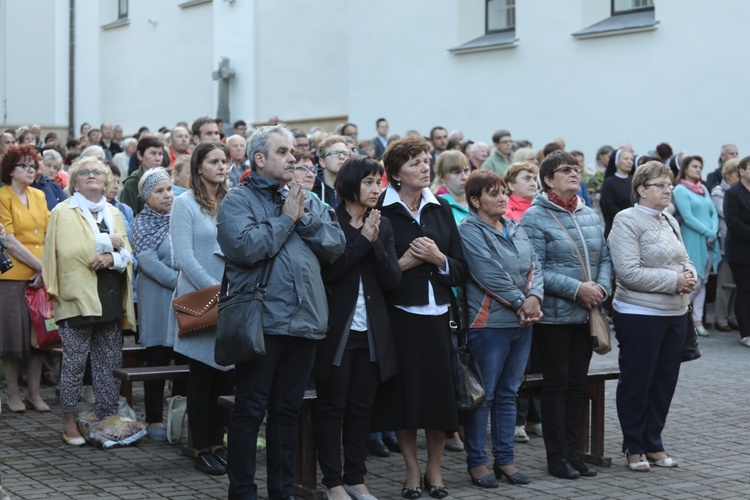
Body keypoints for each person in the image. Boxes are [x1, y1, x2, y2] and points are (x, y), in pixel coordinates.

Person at [216, 125, 345, 498]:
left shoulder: (303, 197)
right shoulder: (237, 201)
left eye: (294, 152)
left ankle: (282, 490)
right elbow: (245, 248)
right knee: (250, 410)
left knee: (288, 411)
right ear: (260, 159)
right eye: (284, 152)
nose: (294, 158)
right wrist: (286, 219)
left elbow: (336, 245)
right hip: (263, 323)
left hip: (305, 321)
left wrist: (301, 215)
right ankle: (242, 491)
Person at [372, 135, 468, 499]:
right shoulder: (381, 210)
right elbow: (375, 272)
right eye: (414, 162)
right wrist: (404, 264)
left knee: (439, 399)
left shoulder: (440, 208)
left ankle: (435, 470)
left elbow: (460, 268)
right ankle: (412, 471)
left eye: (426, 160)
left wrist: (438, 259)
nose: (425, 167)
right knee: (406, 398)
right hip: (401, 316)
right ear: (395, 173)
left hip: (440, 315)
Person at [520, 151, 612, 480]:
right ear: (548, 180)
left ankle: (574, 453)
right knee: (556, 387)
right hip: (555, 318)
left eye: (575, 168)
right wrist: (577, 289)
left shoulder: (589, 213)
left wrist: (600, 288)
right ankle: (557, 457)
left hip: (586, 313)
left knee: (577, 386)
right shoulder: (535, 217)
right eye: (564, 170)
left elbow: (604, 257)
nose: (573, 174)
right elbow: (536, 268)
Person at [314, 156, 401, 500]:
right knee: (332, 407)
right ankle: (333, 482)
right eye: (368, 182)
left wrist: (375, 241)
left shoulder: (384, 224)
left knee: (362, 408)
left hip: (373, 334)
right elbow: (329, 273)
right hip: (337, 332)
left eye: (378, 182)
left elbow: (393, 280)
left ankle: (356, 477)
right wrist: (362, 240)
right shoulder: (331, 220)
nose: (376, 189)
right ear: (351, 184)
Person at [607, 161, 696, 471]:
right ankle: (634, 445)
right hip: (639, 313)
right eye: (660, 185)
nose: (668, 190)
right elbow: (628, 273)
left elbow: (684, 258)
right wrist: (675, 281)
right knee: (638, 381)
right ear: (641, 189)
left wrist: (690, 274)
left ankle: (653, 442)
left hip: (675, 312)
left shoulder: (670, 220)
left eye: (669, 184)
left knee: (664, 381)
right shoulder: (626, 220)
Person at [42, 156, 135, 445]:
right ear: (75, 180)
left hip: (109, 296)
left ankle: (106, 420)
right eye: (84, 172)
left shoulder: (113, 213)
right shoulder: (63, 211)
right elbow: (70, 252)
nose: (92, 175)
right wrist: (109, 244)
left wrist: (112, 256)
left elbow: (128, 254)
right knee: (74, 364)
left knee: (109, 363)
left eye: (97, 172)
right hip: (76, 297)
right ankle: (69, 421)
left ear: (106, 181)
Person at [459, 170, 543, 489]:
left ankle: (505, 460)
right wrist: (524, 302)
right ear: (475, 200)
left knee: (509, 393)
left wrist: (534, 297)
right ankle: (477, 462)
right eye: (493, 194)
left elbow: (536, 266)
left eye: (503, 193)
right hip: (490, 324)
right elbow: (487, 275)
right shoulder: (469, 231)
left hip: (522, 321)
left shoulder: (514, 226)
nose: (502, 199)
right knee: (485, 395)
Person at [168, 142, 234, 475]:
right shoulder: (185, 203)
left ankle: (219, 443)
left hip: (233, 297)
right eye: (214, 161)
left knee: (227, 374)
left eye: (225, 161)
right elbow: (184, 256)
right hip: (202, 300)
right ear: (198, 167)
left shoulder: (232, 200)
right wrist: (214, 289)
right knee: (202, 376)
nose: (222, 167)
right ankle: (201, 446)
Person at [130, 167, 187, 441]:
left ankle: (181, 417)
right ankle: (153, 419)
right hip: (157, 298)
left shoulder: (181, 217)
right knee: (157, 358)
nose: (167, 195)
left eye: (169, 189)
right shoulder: (141, 223)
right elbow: (149, 263)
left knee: (185, 356)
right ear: (146, 196)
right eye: (159, 191)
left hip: (186, 299)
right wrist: (184, 282)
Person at [0, 145, 50, 413]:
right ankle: (12, 393)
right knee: (11, 338)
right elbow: (8, 240)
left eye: (33, 166)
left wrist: (44, 271)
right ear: (10, 170)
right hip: (11, 277)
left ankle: (34, 393)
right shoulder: (2, 197)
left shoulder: (40, 196)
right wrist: (41, 266)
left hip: (39, 277)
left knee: (39, 336)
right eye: (24, 166)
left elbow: (49, 231)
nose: (31, 170)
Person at [672, 155, 719, 337]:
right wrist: (708, 232)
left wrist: (713, 231)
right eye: (695, 166)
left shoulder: (703, 189)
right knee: (695, 282)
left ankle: (697, 320)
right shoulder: (680, 190)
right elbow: (688, 217)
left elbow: (713, 212)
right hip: (693, 237)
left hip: (709, 239)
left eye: (700, 166)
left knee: (704, 281)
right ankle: (679, 315)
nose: (699, 169)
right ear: (685, 169)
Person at [723, 156, 750, 346]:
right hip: (741, 251)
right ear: (742, 171)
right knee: (745, 291)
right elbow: (733, 222)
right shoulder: (733, 194)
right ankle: (746, 333)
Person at [711, 158, 740, 332]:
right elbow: (725, 213)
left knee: (738, 285)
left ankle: (733, 316)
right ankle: (721, 318)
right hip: (725, 242)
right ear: (728, 174)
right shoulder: (718, 191)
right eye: (736, 173)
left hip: (740, 244)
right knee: (725, 283)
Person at [121, 135, 165, 215]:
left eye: (160, 154)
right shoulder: (133, 182)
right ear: (140, 155)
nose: (158, 158)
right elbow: (127, 216)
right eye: (153, 153)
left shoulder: (166, 178)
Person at [601, 148, 635, 237]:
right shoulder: (609, 182)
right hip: (616, 229)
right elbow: (609, 206)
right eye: (626, 159)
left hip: (635, 228)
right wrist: (626, 220)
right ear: (616, 162)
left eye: (631, 159)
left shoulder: (634, 181)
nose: (630, 162)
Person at [430, 150, 470, 225]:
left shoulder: (477, 200)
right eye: (457, 172)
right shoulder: (438, 206)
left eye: (466, 170)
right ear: (442, 177)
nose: (464, 177)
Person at [313, 135, 351, 207]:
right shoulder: (312, 189)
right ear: (322, 162)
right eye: (335, 153)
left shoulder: (356, 189)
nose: (342, 157)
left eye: (345, 154)